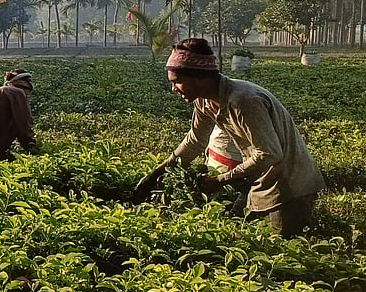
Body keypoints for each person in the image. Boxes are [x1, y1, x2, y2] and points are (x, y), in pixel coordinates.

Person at [133, 38, 325, 237]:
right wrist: (158, 172)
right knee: (232, 231)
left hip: (289, 185)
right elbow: (195, 140)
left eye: (177, 82)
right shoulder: (204, 101)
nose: (174, 89)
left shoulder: (243, 101)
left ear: (198, 77)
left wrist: (220, 179)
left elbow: (268, 154)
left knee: (283, 250)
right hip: (259, 180)